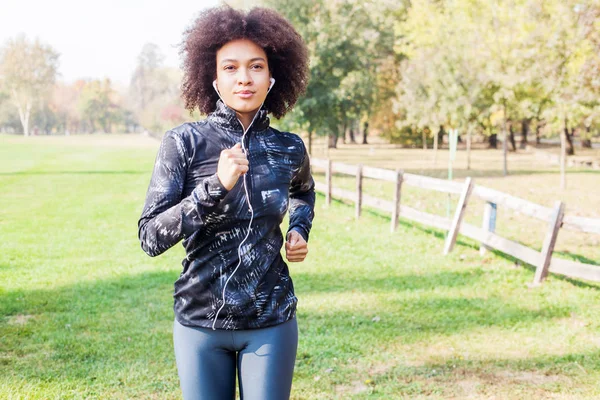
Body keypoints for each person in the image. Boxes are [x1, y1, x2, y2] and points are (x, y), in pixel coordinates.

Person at [137, 5, 315, 400]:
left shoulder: (288, 147)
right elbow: (150, 237)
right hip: (200, 323)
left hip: (271, 321)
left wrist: (299, 228)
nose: (244, 78)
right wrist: (214, 186)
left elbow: (303, 191)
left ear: (272, 77)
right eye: (230, 68)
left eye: (256, 66)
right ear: (213, 79)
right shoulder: (183, 143)